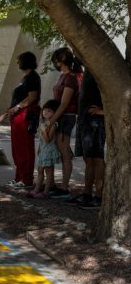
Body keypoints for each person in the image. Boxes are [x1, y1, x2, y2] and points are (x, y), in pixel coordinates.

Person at [46, 47, 83, 199]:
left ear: (60, 61)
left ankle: (65, 187)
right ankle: (61, 185)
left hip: (66, 117)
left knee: (65, 153)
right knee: (62, 151)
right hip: (60, 117)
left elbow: (64, 103)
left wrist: (51, 121)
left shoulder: (71, 78)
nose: (54, 63)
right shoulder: (64, 76)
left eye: (55, 60)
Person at [66, 70, 105, 209]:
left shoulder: (102, 67)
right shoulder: (89, 69)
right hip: (85, 119)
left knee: (98, 159)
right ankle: (87, 194)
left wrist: (104, 111)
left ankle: (99, 197)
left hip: (97, 121)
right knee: (88, 159)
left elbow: (117, 94)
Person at [7, 51, 42, 189]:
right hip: (17, 116)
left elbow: (32, 96)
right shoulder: (26, 78)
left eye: (19, 60)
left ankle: (26, 179)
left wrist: (17, 107)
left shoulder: (33, 77)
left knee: (24, 148)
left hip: (25, 115)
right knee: (17, 149)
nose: (17, 63)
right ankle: (19, 177)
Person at [27, 100, 61, 199]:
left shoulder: (53, 124)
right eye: (45, 110)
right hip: (43, 150)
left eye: (49, 111)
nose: (46, 112)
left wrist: (44, 131)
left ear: (55, 113)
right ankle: (37, 189)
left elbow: (47, 140)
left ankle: (46, 191)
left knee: (49, 172)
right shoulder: (43, 122)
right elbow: (41, 141)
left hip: (49, 151)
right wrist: (39, 148)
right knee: (40, 170)